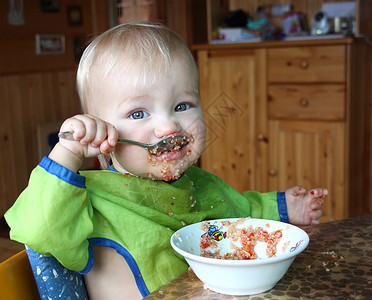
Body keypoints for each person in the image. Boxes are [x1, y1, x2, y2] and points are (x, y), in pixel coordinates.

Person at [5, 23, 327, 299]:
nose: (169, 127)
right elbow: (39, 230)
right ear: (102, 135)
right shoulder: (89, 200)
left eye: (183, 105)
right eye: (139, 113)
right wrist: (69, 153)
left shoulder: (199, 185)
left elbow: (239, 215)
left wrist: (285, 206)